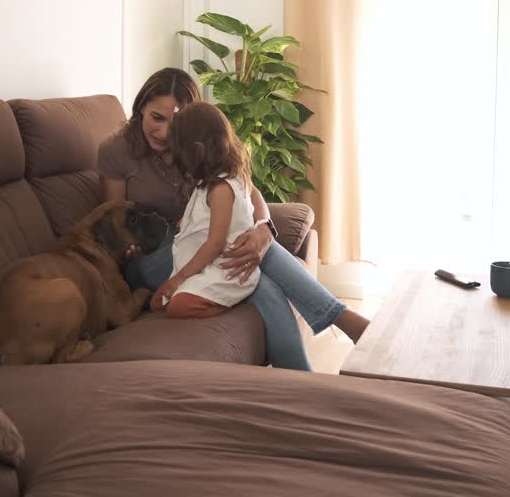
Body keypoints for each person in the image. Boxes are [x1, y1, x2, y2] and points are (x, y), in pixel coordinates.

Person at [97, 67, 369, 371]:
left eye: (174, 124)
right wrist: (128, 250)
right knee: (250, 270)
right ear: (140, 109)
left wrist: (263, 230)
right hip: (156, 255)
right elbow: (114, 219)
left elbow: (251, 195)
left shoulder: (198, 144)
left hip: (201, 241)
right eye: (156, 118)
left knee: (262, 282)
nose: (163, 133)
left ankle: (301, 377)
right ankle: (339, 326)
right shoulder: (116, 150)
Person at [150, 102, 260, 319]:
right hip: (204, 268)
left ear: (197, 150)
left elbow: (215, 243)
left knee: (178, 307)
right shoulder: (210, 183)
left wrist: (180, 278)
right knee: (157, 303)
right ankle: (201, 293)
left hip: (223, 271)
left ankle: (229, 301)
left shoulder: (221, 189)